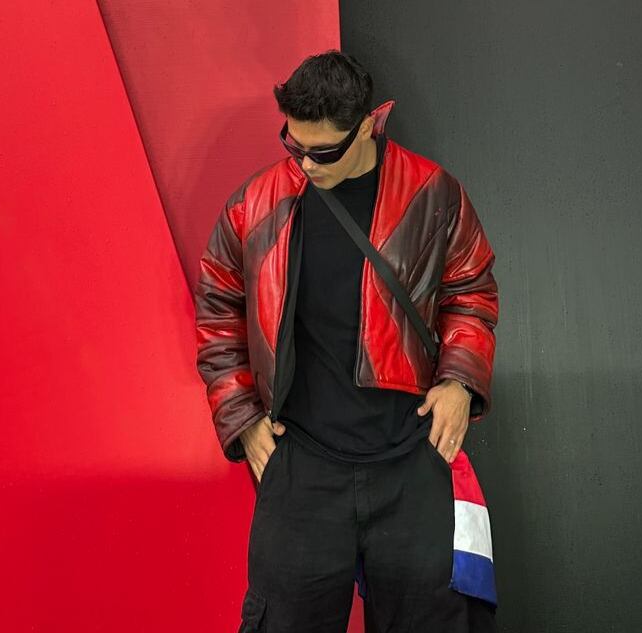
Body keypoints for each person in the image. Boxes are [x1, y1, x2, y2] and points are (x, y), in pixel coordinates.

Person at [193, 50, 499, 632]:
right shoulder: (256, 205)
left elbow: (471, 291)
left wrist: (460, 381)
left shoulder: (432, 194)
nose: (307, 163)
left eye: (324, 151)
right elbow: (217, 312)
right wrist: (242, 418)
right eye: (294, 145)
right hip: (302, 462)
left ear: (366, 127)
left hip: (412, 456)